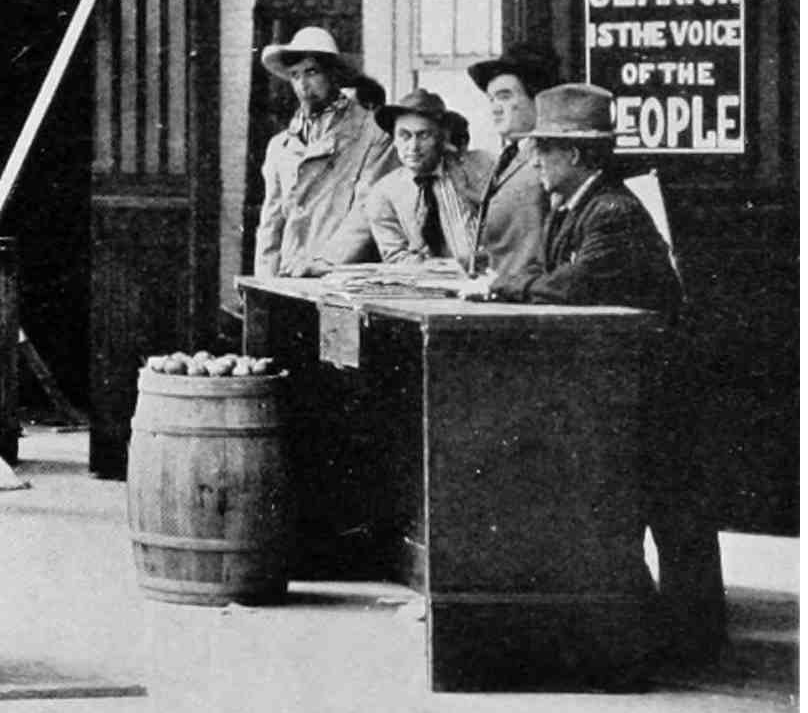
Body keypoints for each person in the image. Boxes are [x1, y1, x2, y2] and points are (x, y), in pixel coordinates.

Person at [474, 82, 725, 665]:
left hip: (658, 389)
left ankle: (695, 641)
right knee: (658, 510)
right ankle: (669, 630)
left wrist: (504, 286)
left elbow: (571, 287)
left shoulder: (611, 212)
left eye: (544, 149)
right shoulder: (578, 207)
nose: (535, 159)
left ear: (576, 155)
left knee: (674, 515)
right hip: (632, 385)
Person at [253, 25, 397, 277]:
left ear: (334, 74)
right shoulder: (281, 145)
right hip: (289, 275)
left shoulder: (373, 134)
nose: (303, 85)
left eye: (312, 72)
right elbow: (271, 222)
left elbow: (366, 210)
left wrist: (324, 262)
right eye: (295, 75)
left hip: (340, 274)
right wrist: (263, 282)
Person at [304, 88, 493, 272]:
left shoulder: (479, 168)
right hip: (427, 284)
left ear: (442, 137)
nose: (413, 147)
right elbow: (396, 255)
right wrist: (438, 269)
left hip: (486, 278)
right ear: (394, 140)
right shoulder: (384, 192)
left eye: (423, 135)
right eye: (404, 136)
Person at [467, 43, 559, 303]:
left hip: (530, 300)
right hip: (500, 295)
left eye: (505, 97)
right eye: (492, 99)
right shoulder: (508, 157)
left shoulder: (549, 160)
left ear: (537, 99)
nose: (495, 108)